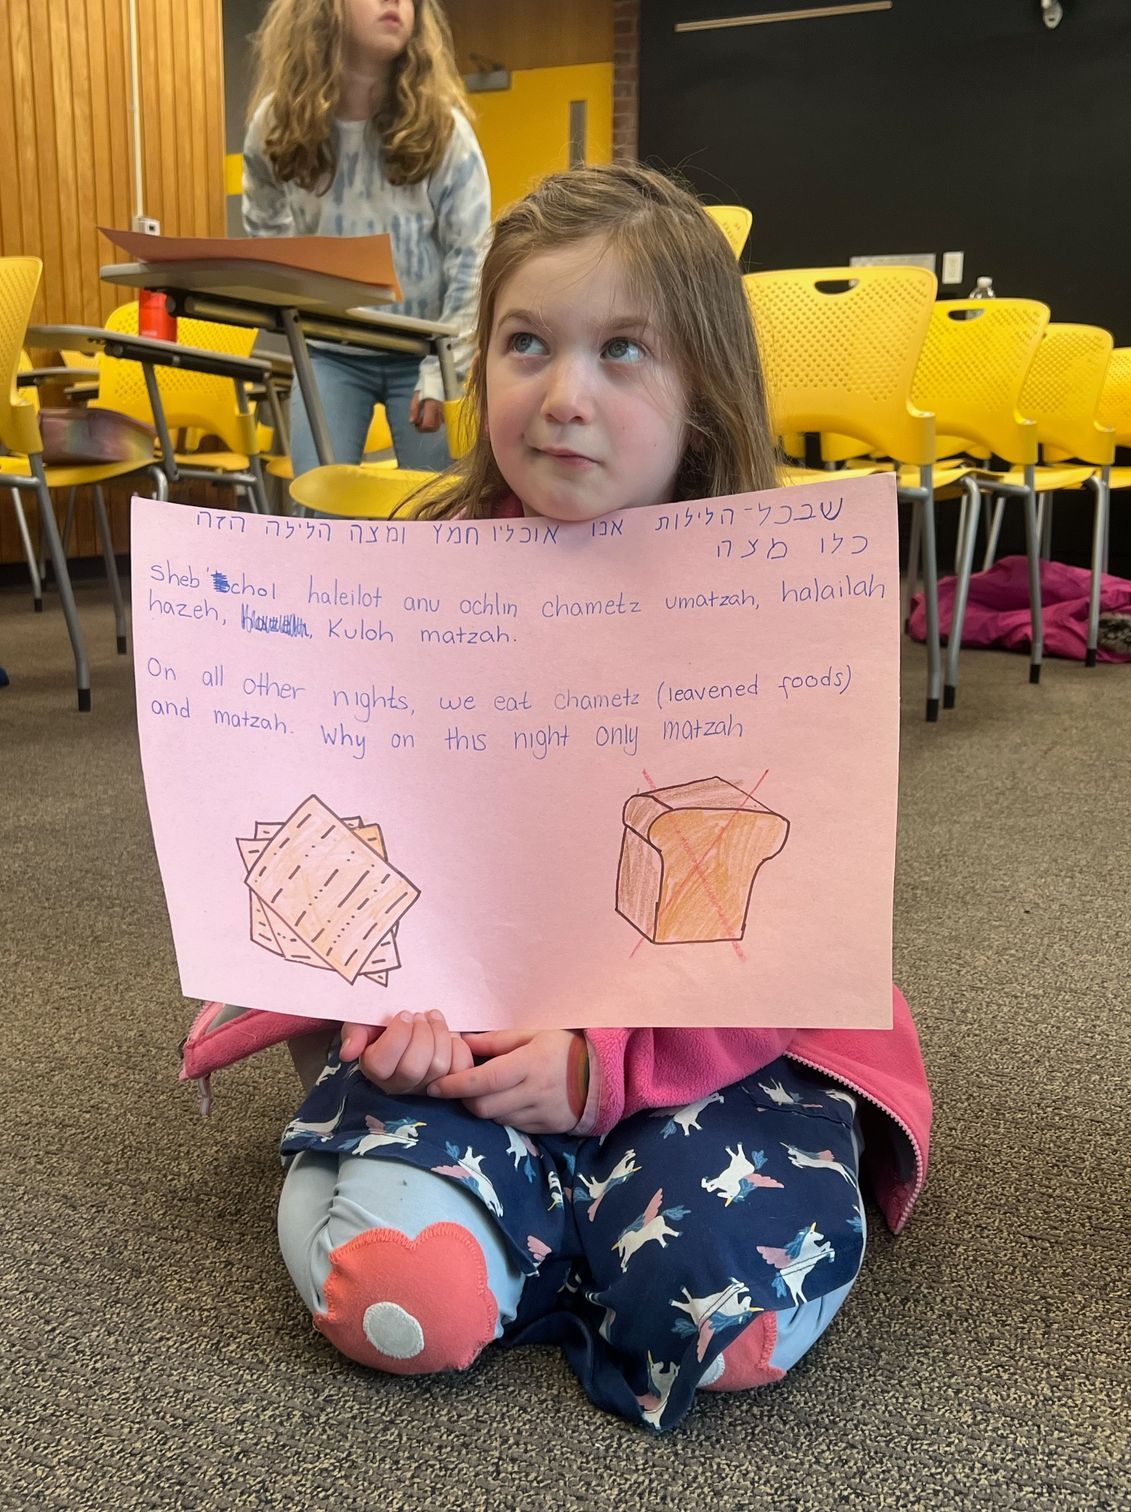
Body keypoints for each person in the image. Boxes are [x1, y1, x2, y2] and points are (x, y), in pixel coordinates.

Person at [183, 164, 932, 1432]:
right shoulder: (404, 592)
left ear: (701, 398)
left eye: (624, 351)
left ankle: (578, 1239)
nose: (564, 396)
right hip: (467, 1055)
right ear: (482, 366)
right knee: (399, 1300)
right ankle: (542, 1248)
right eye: (527, 343)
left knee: (723, 1321)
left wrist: (607, 1068)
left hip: (709, 1060)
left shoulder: (770, 607)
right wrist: (382, 1020)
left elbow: (786, 950)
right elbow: (340, 863)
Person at [242, 0, 491, 475]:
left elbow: (473, 259)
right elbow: (267, 239)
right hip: (327, 353)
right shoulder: (275, 126)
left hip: (426, 351)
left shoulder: (445, 131)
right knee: (316, 514)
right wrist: (304, 306)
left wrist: (445, 369)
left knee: (433, 520)